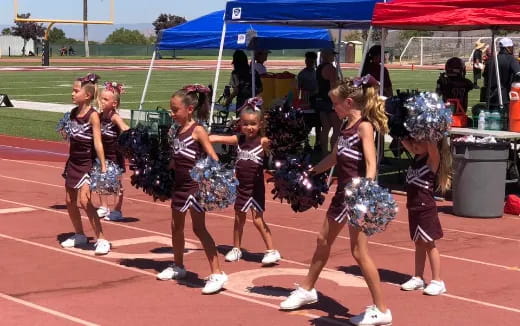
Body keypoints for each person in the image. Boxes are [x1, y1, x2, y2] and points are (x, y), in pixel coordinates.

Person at [279, 75, 392, 326]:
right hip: (342, 194)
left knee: (358, 252)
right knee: (323, 240)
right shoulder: (344, 127)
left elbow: (372, 163)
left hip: (357, 196)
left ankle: (381, 309)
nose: (333, 108)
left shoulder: (364, 126)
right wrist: (311, 172)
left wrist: (366, 191)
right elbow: (334, 157)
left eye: (335, 104)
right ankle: (308, 289)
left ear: (349, 102)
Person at [157, 84, 228, 295]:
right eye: (171, 109)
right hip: (179, 186)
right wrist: (161, 167)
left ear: (189, 109)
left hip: (194, 187)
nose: (172, 113)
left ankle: (217, 272)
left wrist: (214, 178)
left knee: (199, 229)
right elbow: (176, 158)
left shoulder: (198, 130)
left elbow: (212, 156)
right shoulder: (176, 131)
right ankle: (178, 266)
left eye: (175, 109)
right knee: (175, 226)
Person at [209, 98, 281, 265]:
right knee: (238, 218)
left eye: (253, 124)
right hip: (241, 187)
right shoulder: (239, 140)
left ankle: (272, 250)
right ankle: (236, 248)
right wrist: (205, 138)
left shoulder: (261, 141)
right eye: (246, 124)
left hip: (255, 188)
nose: (249, 128)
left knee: (257, 219)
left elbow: (276, 144)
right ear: (240, 124)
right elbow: (216, 138)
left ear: (260, 124)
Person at [60, 73, 111, 255]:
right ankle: (79, 234)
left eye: (76, 91)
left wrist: (103, 166)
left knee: (85, 201)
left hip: (87, 164)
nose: (72, 94)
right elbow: (71, 136)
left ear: (87, 95)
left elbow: (98, 142)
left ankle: (102, 238)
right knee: (69, 201)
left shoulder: (93, 116)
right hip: (72, 162)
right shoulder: (73, 113)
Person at [399, 136, 451, 296]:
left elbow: (433, 146)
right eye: (413, 140)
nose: (414, 144)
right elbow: (403, 139)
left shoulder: (432, 160)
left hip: (426, 209)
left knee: (429, 243)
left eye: (419, 141)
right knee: (418, 243)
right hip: (413, 208)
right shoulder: (416, 157)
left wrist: (430, 132)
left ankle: (438, 281)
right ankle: (418, 277)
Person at [96, 81, 129, 221]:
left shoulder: (114, 117)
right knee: (100, 181)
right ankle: (104, 206)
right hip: (102, 156)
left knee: (116, 184)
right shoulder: (98, 116)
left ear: (114, 104)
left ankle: (117, 210)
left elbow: (126, 128)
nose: (101, 101)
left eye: (105, 99)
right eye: (101, 98)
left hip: (115, 156)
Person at [483, 37, 520, 114]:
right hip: (504, 97)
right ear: (508, 48)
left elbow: (485, 76)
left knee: (491, 121)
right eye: (512, 47)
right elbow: (518, 73)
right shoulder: (511, 59)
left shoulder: (491, 59)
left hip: (490, 96)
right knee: (503, 122)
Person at [315, 48, 341, 154]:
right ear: (326, 55)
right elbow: (333, 87)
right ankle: (334, 153)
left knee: (325, 128)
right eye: (332, 55)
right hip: (330, 101)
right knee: (337, 127)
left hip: (321, 99)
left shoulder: (319, 68)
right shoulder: (331, 69)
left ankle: (325, 152)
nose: (333, 57)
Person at [297, 51, 321, 151]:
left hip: (318, 100)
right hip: (307, 100)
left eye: (311, 60)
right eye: (307, 60)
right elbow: (298, 88)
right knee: (307, 123)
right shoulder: (302, 74)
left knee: (319, 123)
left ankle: (318, 143)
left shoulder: (318, 72)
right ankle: (306, 143)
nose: (309, 62)